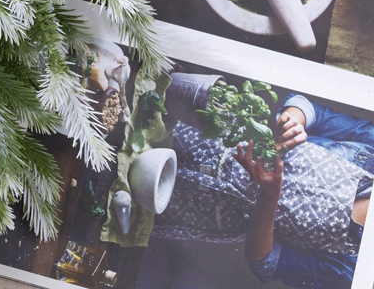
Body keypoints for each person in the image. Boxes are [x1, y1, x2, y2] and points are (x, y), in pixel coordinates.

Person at [151, 92, 374, 289]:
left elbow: (266, 263)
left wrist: (269, 196)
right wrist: (293, 120)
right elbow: (310, 109)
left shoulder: (355, 270)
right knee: (145, 121)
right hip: (213, 136)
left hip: (196, 204)